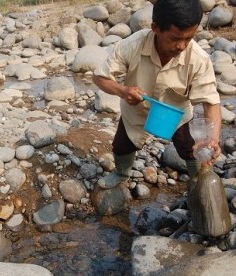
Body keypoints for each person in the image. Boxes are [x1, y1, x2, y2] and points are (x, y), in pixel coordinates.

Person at [93, 0, 222, 189]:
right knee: (122, 145)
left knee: (191, 148)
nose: (182, 46)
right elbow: (100, 77)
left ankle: (199, 182)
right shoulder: (133, 45)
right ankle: (121, 173)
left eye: (188, 38)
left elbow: (211, 102)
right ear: (155, 28)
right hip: (136, 109)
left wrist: (213, 138)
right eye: (175, 38)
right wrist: (123, 91)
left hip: (177, 113)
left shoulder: (198, 59)